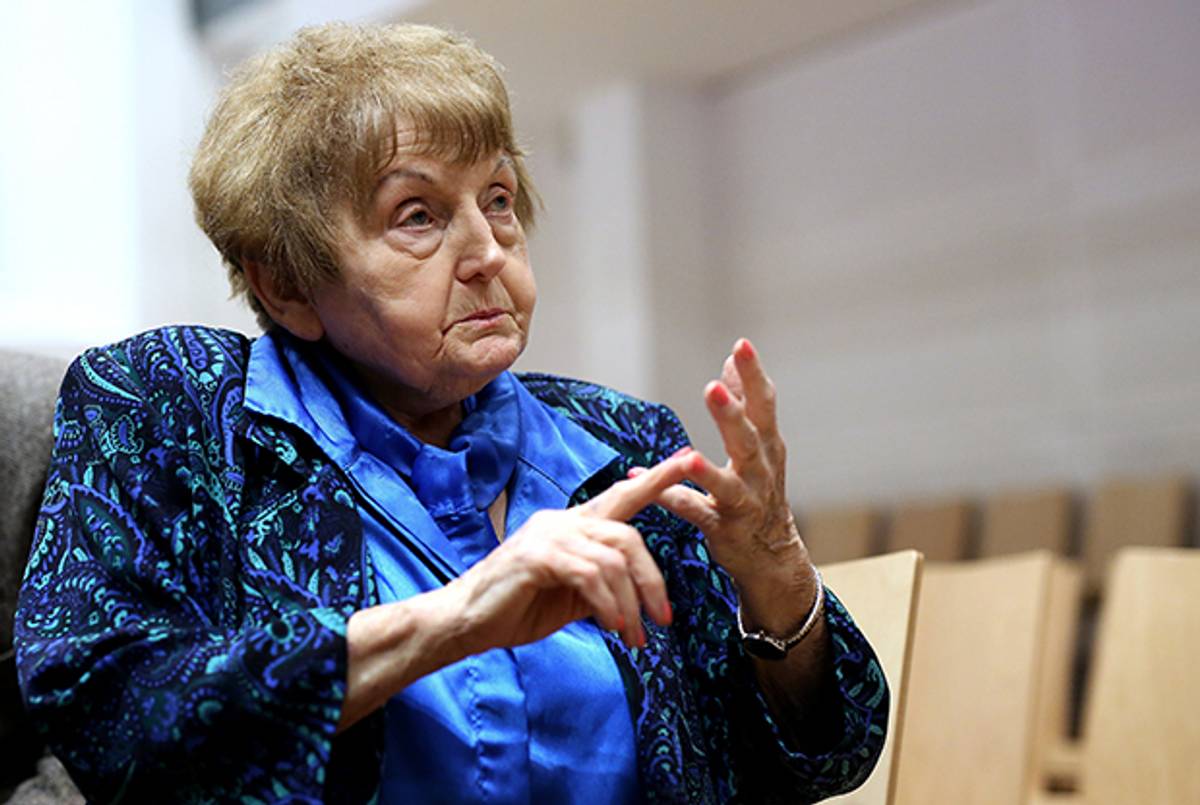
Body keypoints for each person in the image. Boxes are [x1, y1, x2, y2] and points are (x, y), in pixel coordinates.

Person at [15, 22, 888, 804]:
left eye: (498, 199)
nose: (486, 252)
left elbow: (822, 760)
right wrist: (457, 616)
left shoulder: (624, 443)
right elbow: (106, 710)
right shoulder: (172, 406)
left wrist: (777, 578)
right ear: (287, 283)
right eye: (419, 214)